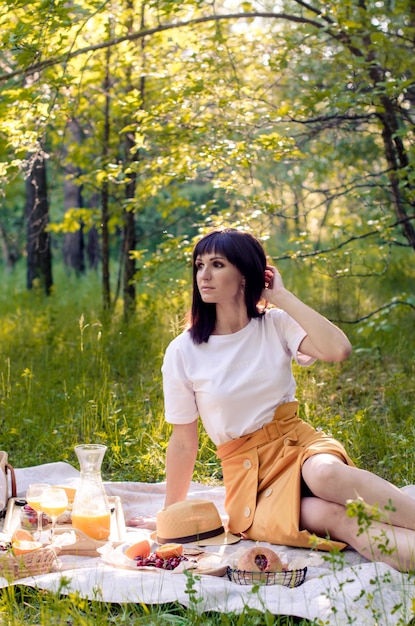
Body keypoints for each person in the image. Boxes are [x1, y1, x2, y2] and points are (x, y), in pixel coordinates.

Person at [161, 228, 415, 572]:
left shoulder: (275, 325)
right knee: (334, 516)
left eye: (217, 264)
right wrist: (169, 517)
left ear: (245, 275)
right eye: (199, 265)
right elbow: (182, 442)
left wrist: (282, 297)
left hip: (297, 443)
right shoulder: (184, 351)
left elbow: (338, 350)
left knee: (327, 476)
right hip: (249, 475)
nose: (203, 275)